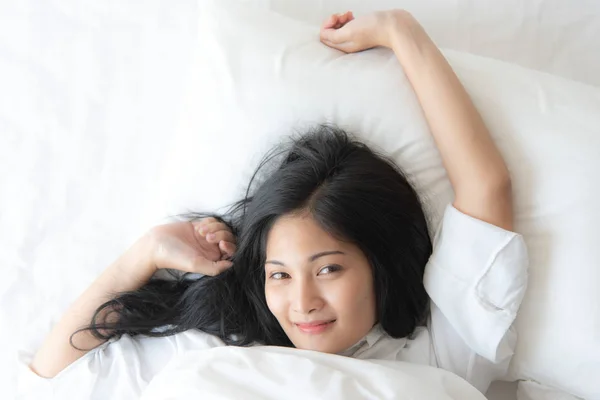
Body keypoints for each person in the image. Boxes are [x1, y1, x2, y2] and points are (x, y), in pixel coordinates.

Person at [24, 9, 528, 396]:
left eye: (328, 269)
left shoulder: (440, 356)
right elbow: (51, 382)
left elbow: (487, 187)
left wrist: (401, 32)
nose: (302, 301)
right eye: (279, 275)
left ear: (380, 264)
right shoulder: (219, 352)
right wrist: (146, 253)